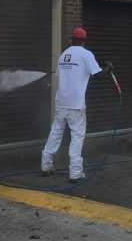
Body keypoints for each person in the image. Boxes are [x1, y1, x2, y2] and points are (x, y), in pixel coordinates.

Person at [41, 27, 113, 183]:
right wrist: (108, 68)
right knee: (77, 137)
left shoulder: (63, 55)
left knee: (55, 132)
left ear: (72, 39)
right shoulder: (86, 54)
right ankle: (75, 173)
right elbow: (98, 75)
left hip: (61, 103)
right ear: (84, 40)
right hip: (76, 105)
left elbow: (64, 75)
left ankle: (46, 165)